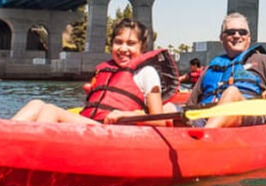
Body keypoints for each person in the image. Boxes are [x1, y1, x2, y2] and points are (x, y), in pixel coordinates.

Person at [11, 18, 177, 125]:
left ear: (143, 47)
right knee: (36, 104)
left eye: (131, 43)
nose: (123, 48)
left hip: (112, 129)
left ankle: (32, 155)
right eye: (118, 42)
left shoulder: (147, 73)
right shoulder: (105, 69)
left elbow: (158, 121)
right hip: (90, 123)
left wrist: (123, 114)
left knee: (50, 110)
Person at [188, 12, 266, 128]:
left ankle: (205, 137)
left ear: (249, 38)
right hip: (204, 115)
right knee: (169, 108)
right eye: (230, 32)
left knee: (232, 92)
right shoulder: (209, 69)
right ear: (221, 38)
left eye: (242, 32)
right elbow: (189, 106)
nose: (237, 35)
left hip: (248, 114)